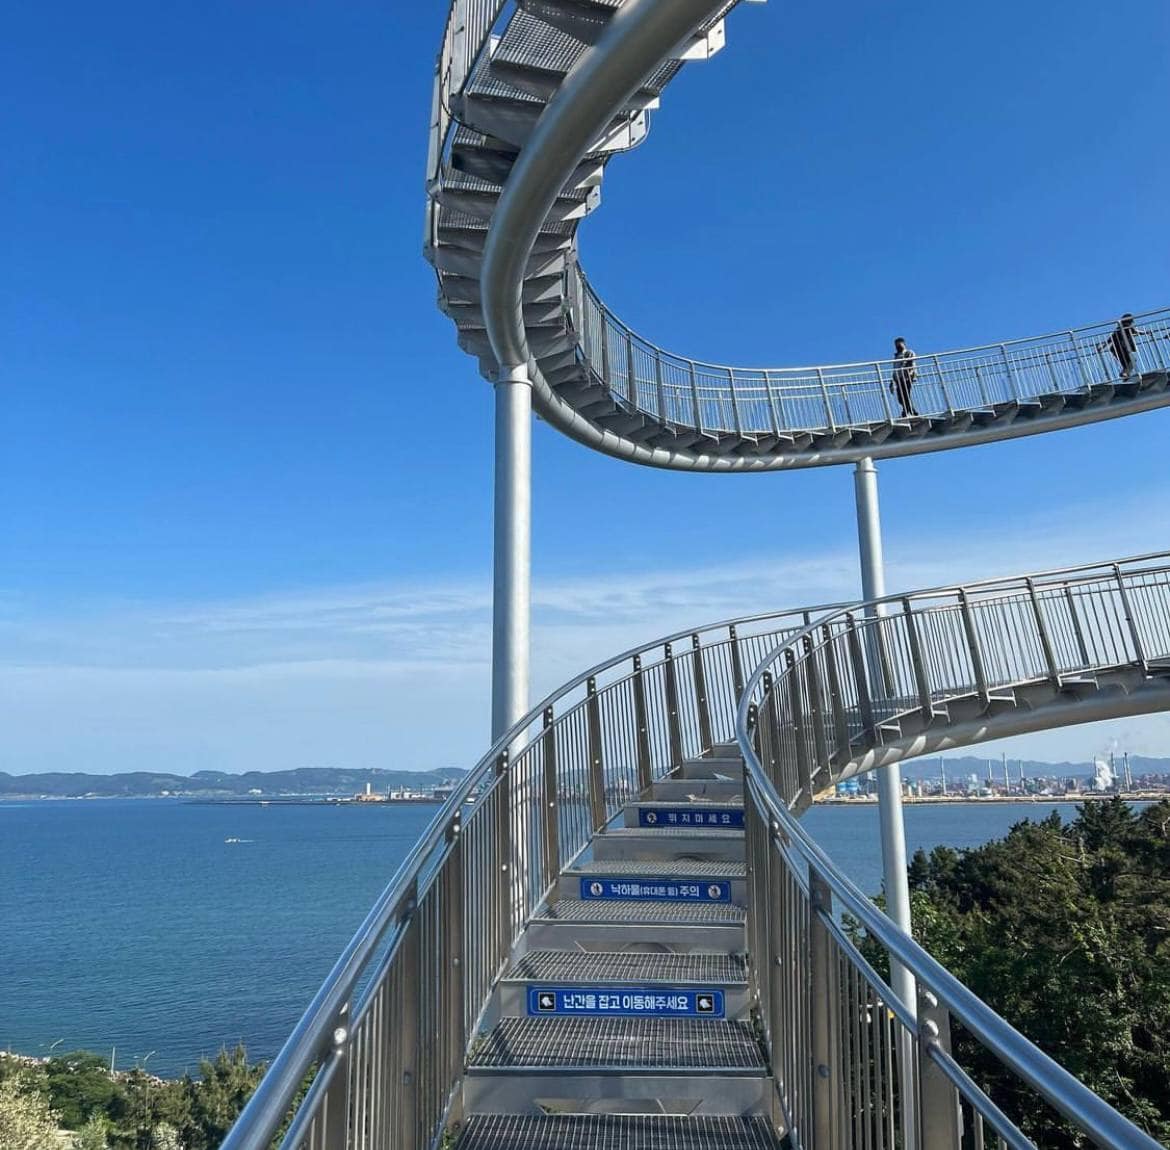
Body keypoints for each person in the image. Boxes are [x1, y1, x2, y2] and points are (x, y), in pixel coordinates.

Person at [1100, 314, 1147, 381]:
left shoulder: (1118, 329)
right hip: (1123, 347)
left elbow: (1110, 339)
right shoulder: (1126, 327)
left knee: (1126, 364)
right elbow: (1135, 331)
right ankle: (1125, 374)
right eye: (1132, 322)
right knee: (1132, 361)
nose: (1132, 323)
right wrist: (1145, 332)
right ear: (1129, 321)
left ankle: (1125, 377)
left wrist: (1102, 347)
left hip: (1114, 349)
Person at [891, 337, 918, 417]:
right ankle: (910, 410)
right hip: (898, 379)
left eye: (899, 345)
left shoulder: (908, 352)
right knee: (900, 397)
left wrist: (909, 373)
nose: (897, 347)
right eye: (896, 345)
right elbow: (895, 369)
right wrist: (892, 381)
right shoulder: (896, 357)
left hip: (906, 377)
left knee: (905, 395)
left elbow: (910, 362)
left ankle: (908, 411)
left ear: (904, 344)